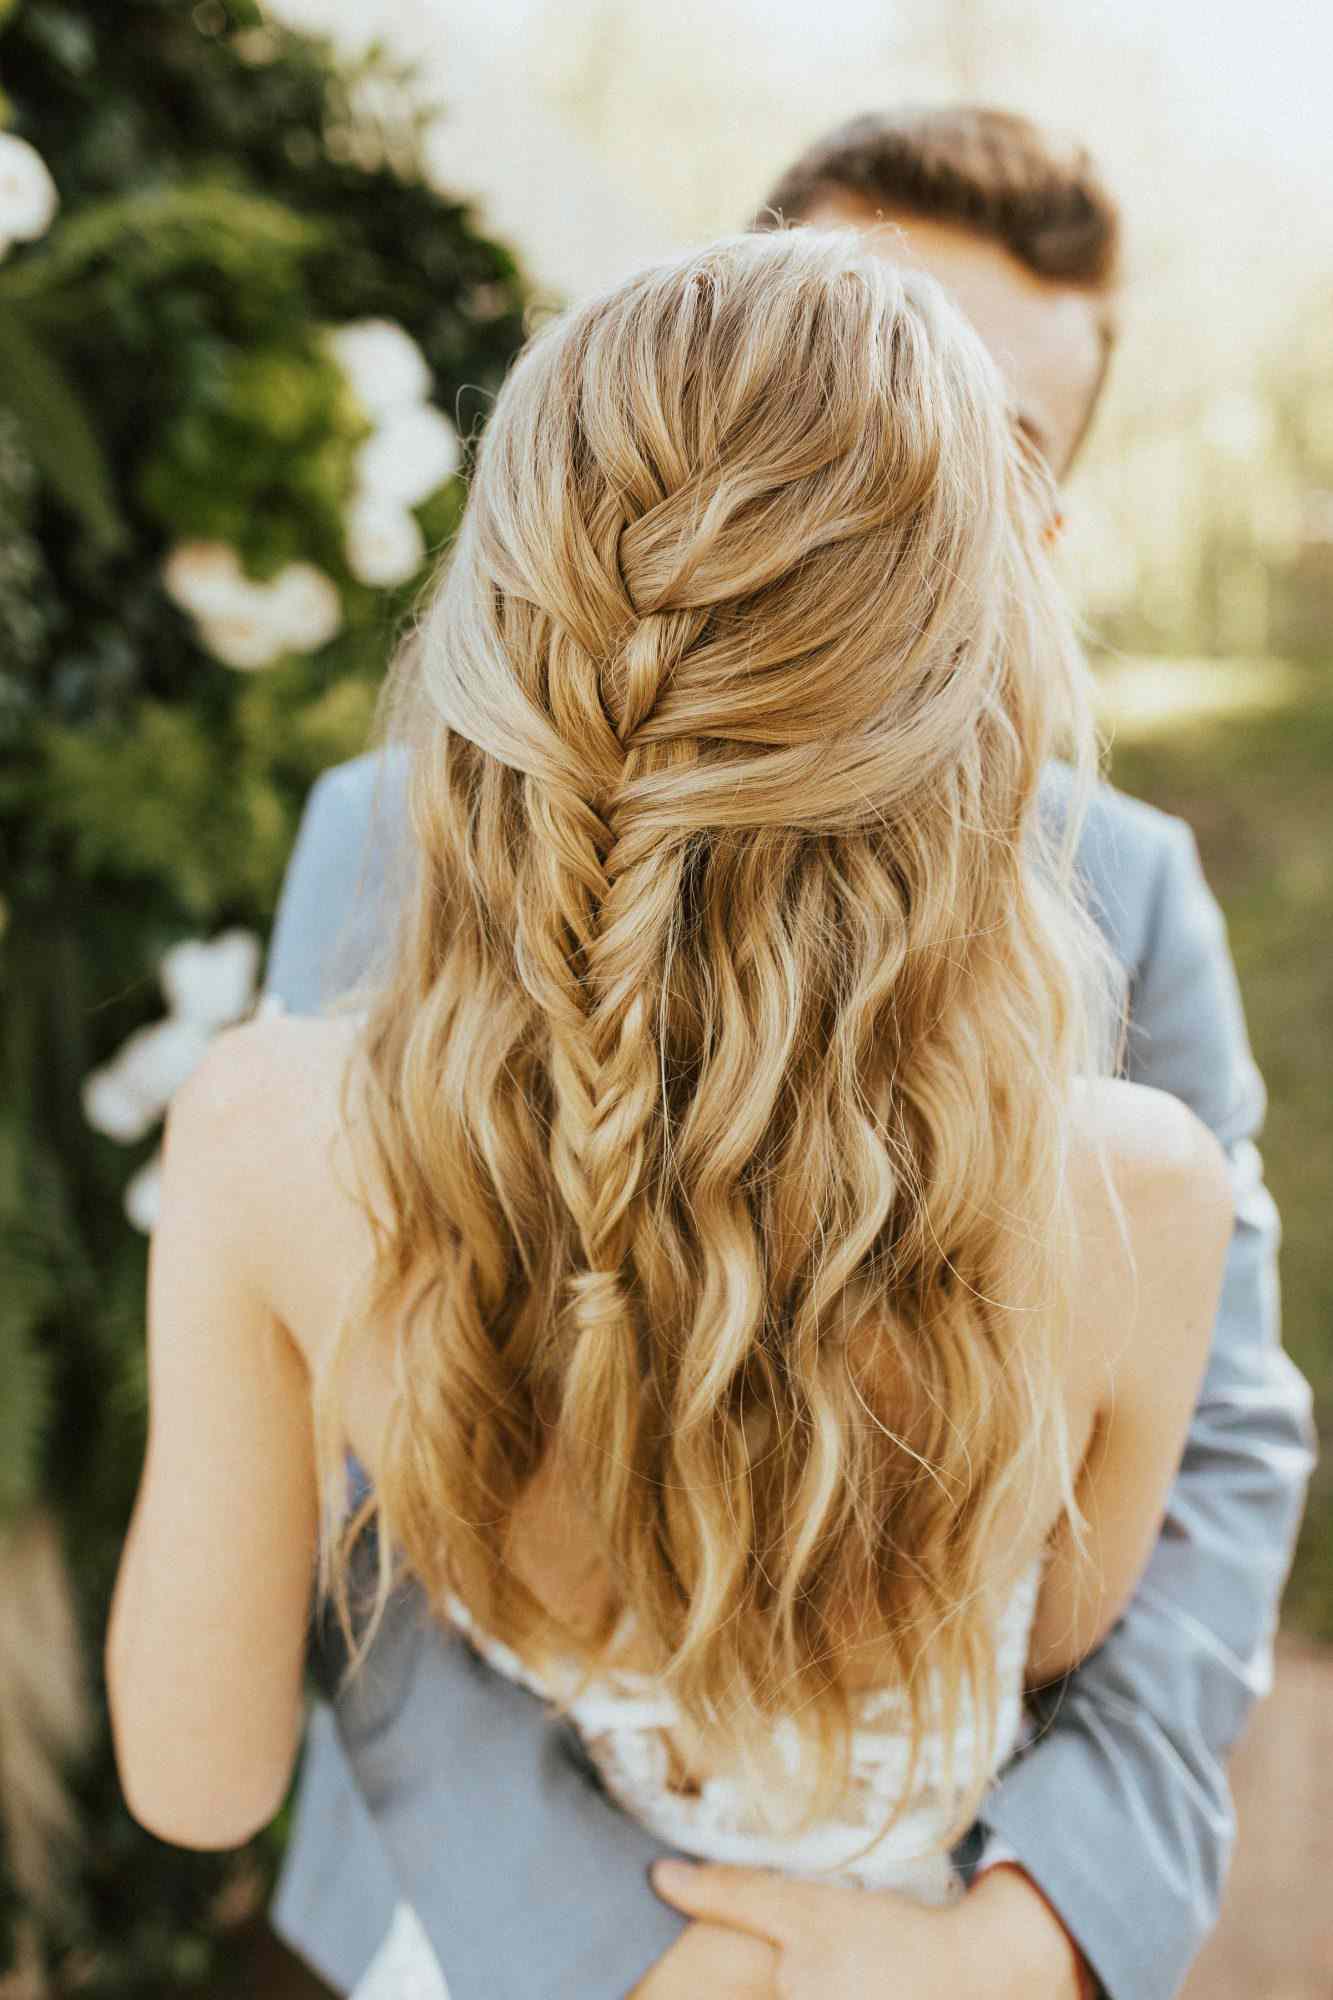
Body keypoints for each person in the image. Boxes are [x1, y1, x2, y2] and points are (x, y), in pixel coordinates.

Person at [103, 219, 1305, 2000]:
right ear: (985, 684)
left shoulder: (276, 1135)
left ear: (500, 629)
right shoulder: (1131, 1196)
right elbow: (1058, 1640)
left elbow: (197, 1780)